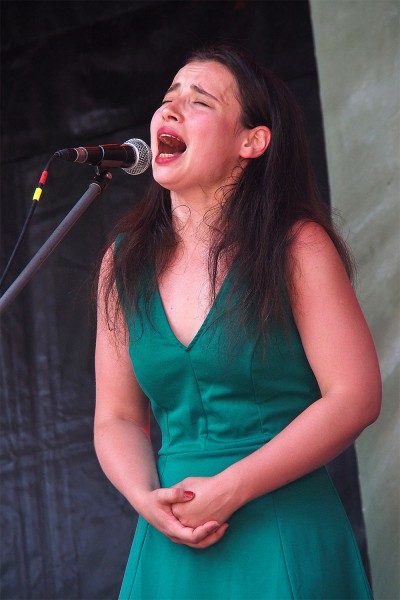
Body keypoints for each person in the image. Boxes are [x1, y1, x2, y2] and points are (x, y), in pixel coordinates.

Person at [94, 46, 381, 599]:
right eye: (166, 100)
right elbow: (117, 418)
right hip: (171, 537)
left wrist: (232, 488)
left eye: (198, 101)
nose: (169, 112)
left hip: (280, 524)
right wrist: (144, 499)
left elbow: (355, 396)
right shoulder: (122, 262)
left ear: (252, 141)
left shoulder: (296, 247)